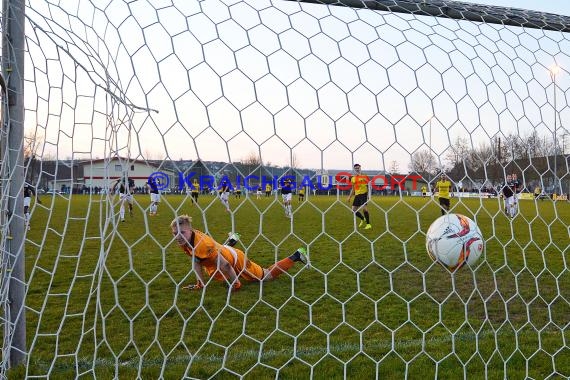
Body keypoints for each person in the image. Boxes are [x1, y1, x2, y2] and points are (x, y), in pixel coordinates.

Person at [171, 215, 307, 291]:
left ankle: (297, 255)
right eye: (175, 233)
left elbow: (226, 266)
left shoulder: (203, 245)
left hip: (236, 260)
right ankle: (233, 238)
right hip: (221, 252)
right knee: (215, 268)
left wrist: (235, 283)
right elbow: (196, 261)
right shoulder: (185, 240)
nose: (178, 236)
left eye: (181, 233)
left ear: (190, 230)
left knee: (266, 276)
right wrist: (200, 284)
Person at [347, 164, 371, 229]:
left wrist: (368, 195)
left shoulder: (364, 176)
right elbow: (353, 189)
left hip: (364, 194)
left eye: (358, 168)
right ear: (354, 169)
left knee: (364, 209)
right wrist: (349, 197)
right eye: (356, 168)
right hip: (357, 195)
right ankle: (363, 218)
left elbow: (369, 185)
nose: (357, 169)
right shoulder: (353, 178)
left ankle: (368, 224)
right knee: (353, 210)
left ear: (360, 168)